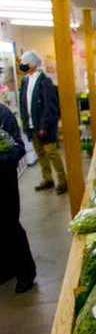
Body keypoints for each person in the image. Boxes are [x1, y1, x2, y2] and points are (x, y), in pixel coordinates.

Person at [18, 50, 67, 194]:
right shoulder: (26, 81)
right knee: (40, 154)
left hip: (44, 127)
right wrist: (26, 124)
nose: (22, 66)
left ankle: (62, 180)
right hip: (31, 126)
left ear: (33, 64)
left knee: (51, 152)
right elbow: (23, 104)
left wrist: (44, 126)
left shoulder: (45, 81)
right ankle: (48, 179)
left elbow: (50, 106)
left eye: (24, 63)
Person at [0, 102, 36, 293]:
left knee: (10, 226)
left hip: (4, 182)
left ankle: (26, 274)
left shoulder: (4, 114)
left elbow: (18, 149)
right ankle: (7, 268)